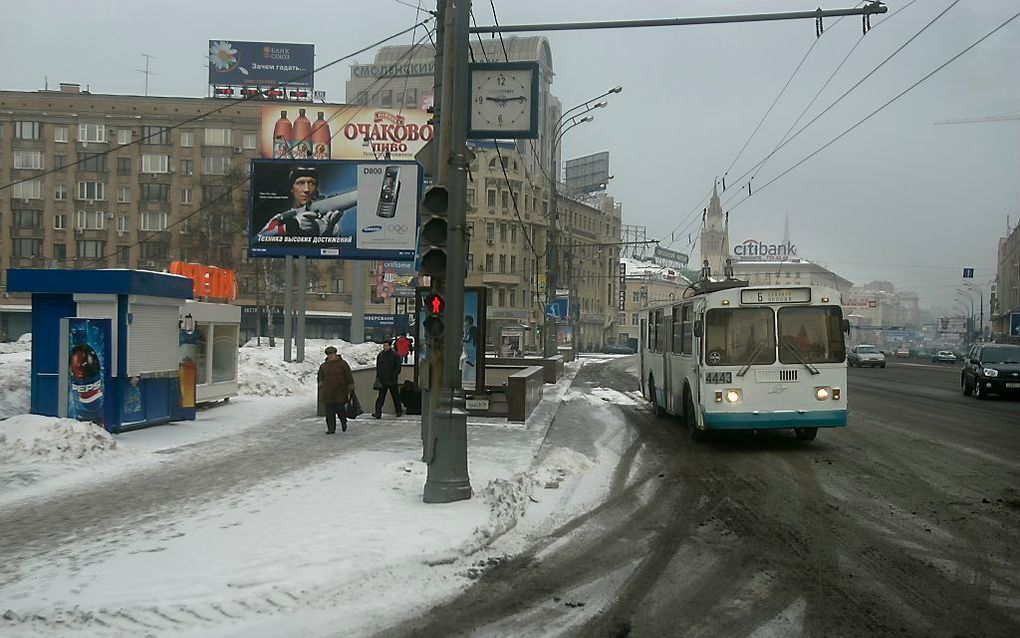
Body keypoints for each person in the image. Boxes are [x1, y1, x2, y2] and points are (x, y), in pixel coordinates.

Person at [257, 166, 344, 237]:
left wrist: (328, 230)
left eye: (311, 183)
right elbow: (259, 239)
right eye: (300, 183)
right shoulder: (282, 218)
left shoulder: (330, 224)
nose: (306, 189)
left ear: (316, 188)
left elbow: (330, 253)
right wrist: (294, 225)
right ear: (292, 188)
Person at [317, 346, 354, 434]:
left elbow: (348, 375)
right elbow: (320, 377)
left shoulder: (343, 364)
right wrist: (321, 383)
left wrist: (351, 385)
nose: (331, 356)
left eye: (332, 354)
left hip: (340, 391)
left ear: (335, 354)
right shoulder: (324, 366)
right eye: (329, 354)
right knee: (329, 412)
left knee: (340, 409)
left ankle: (343, 421)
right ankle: (331, 428)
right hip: (328, 392)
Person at [373, 340, 403, 418]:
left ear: (390, 346)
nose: (384, 347)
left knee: (395, 396)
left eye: (386, 345)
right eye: (384, 345)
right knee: (380, 398)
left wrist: (394, 375)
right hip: (382, 380)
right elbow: (378, 367)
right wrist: (378, 377)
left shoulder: (395, 355)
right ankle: (378, 412)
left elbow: (398, 367)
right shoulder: (381, 355)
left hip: (392, 380)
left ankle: (399, 411)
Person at [461, 315, 478, 388]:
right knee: (466, 374)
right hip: (470, 357)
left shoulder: (471, 328)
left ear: (468, 321)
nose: (464, 323)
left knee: (466, 374)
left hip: (470, 358)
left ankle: (467, 386)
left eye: (465, 321)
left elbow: (468, 340)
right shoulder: (469, 329)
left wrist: (463, 340)